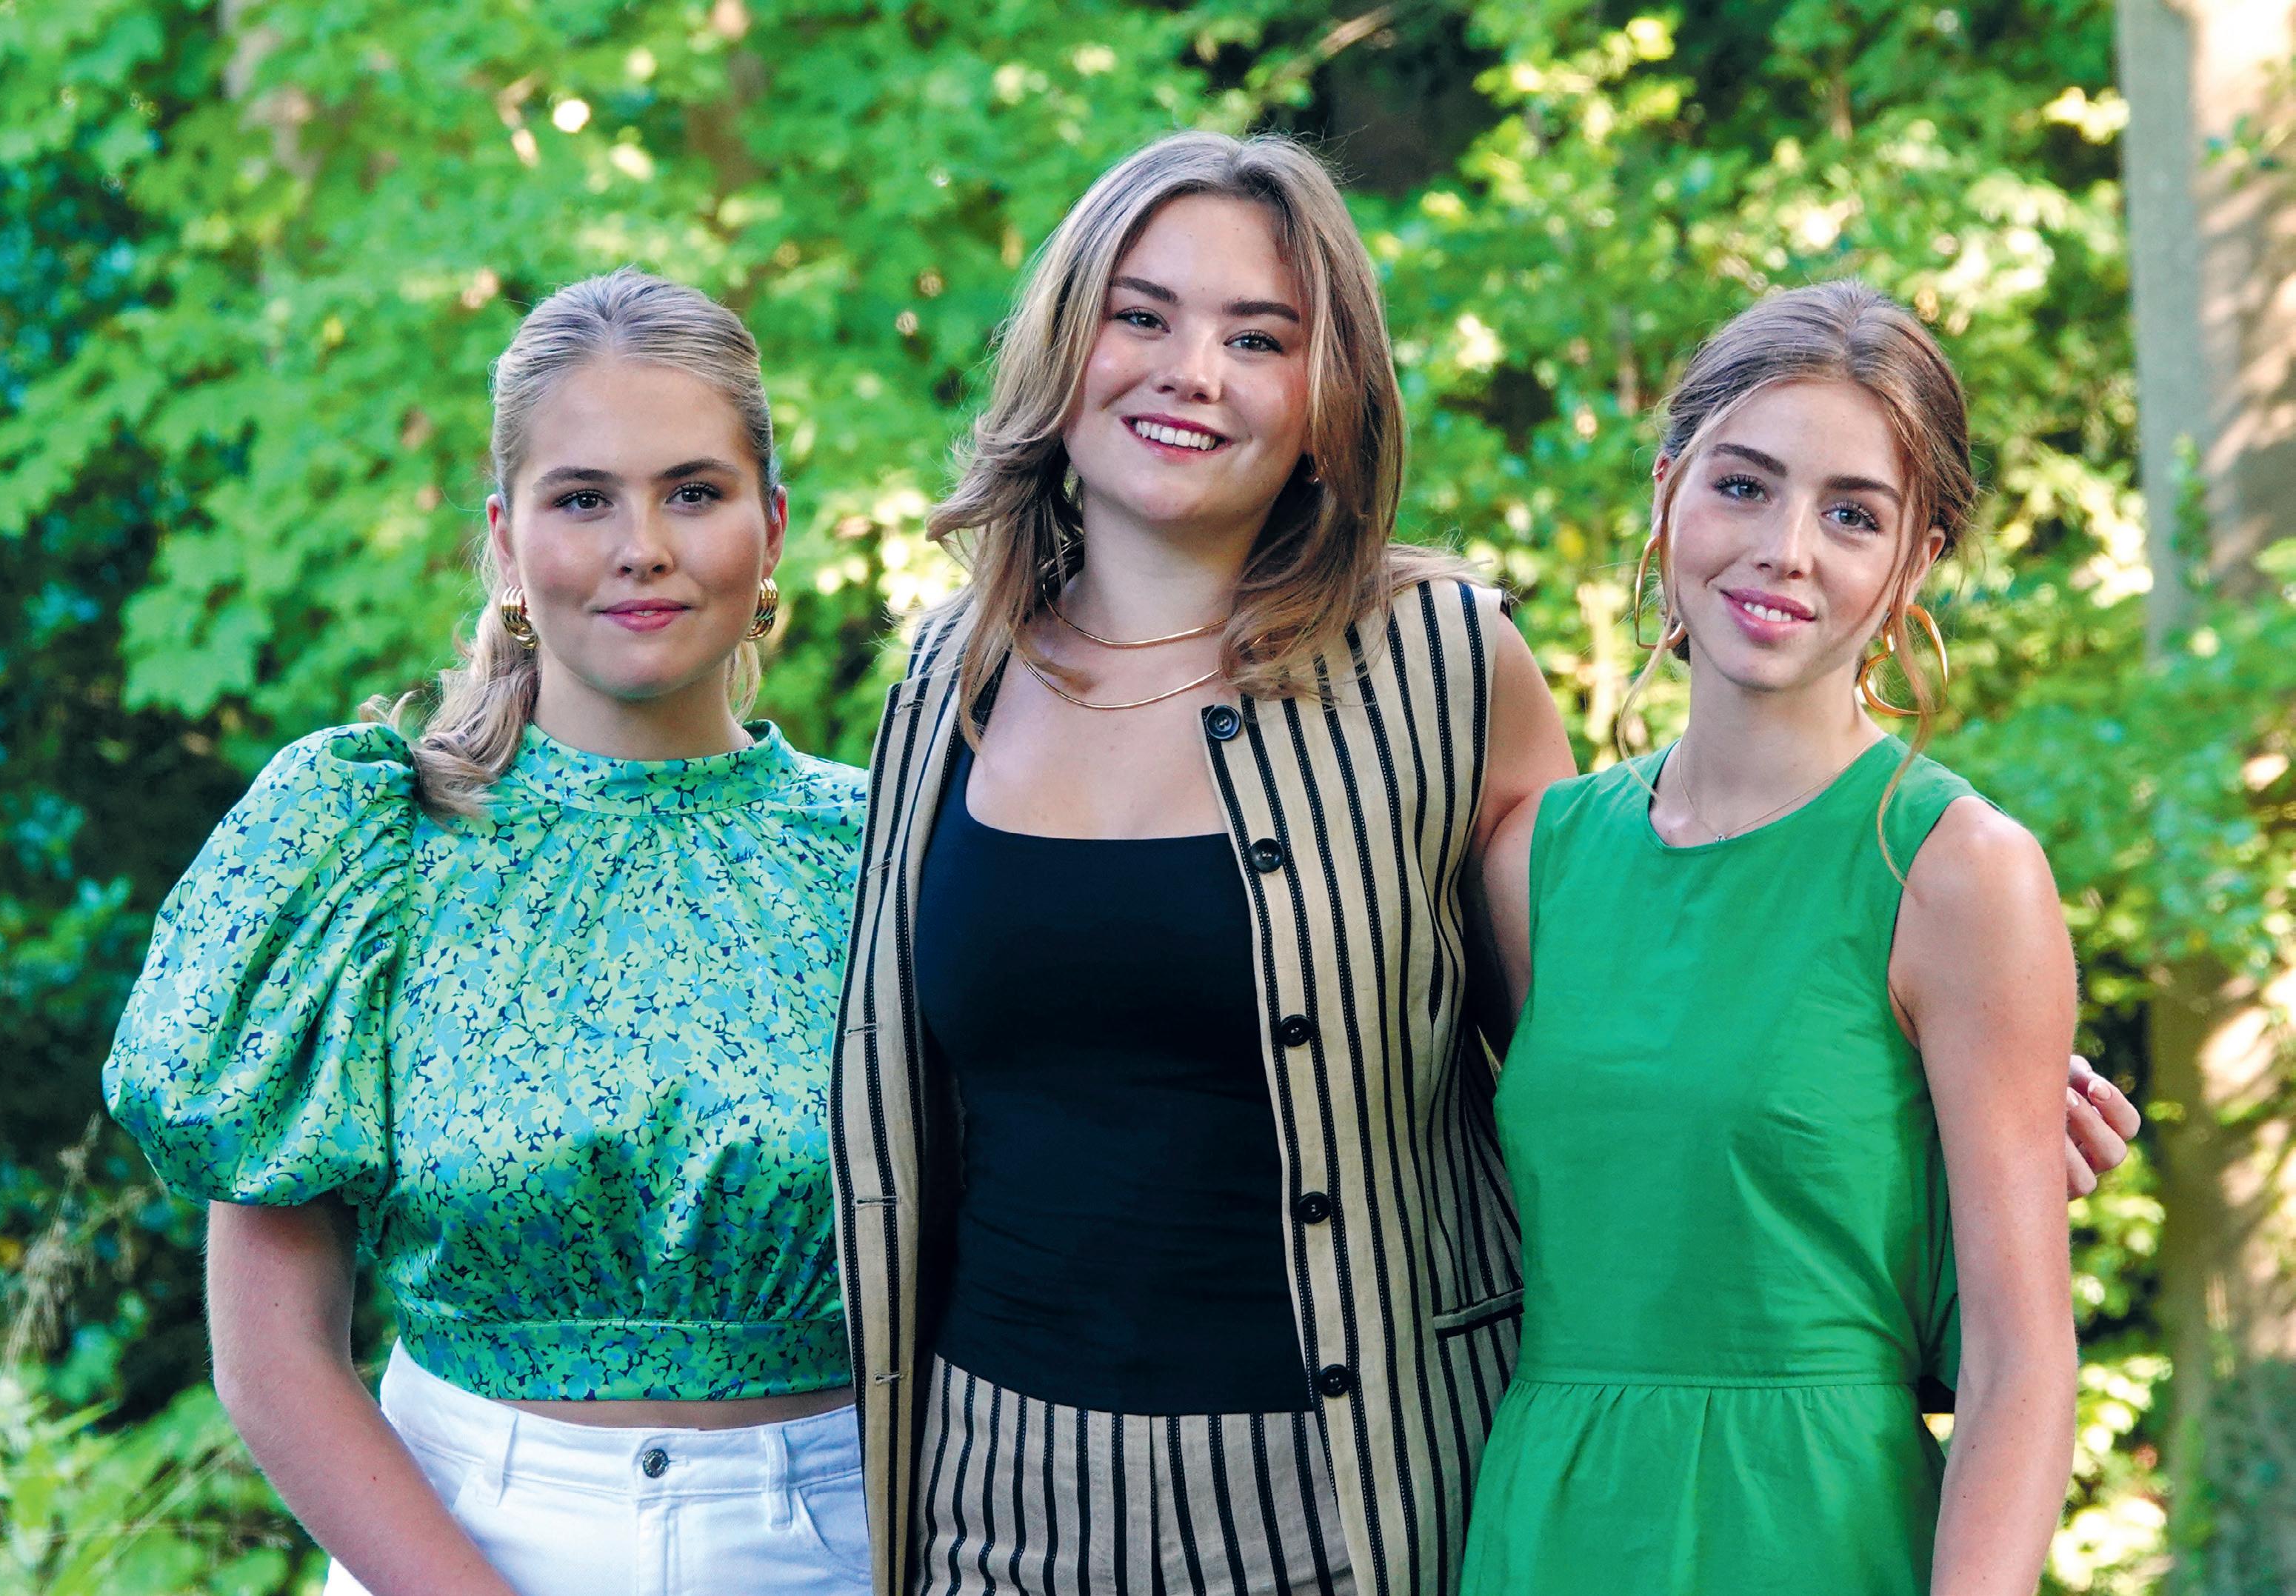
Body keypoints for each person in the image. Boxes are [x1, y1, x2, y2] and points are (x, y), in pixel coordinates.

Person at [828, 134, 2133, 1596]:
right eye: (1143, 315)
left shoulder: (1441, 668)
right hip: (999, 1500)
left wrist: (1970, 1114)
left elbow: (1649, 1054)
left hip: (1351, 1513)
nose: (1192, 372)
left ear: (1328, 400)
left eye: (1259, 336)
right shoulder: (946, 681)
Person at [103, 269, 872, 1596]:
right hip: (449, 1540)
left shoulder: (893, 851)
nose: (644, 546)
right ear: (508, 543)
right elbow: (274, 1355)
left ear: (774, 527)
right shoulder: (371, 853)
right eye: (584, 499)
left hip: (841, 1546)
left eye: (694, 491)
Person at [1459, 280, 2079, 1596]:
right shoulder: (1533, 863)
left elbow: (2021, 1365)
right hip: (1550, 1525)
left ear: (1913, 564)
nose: (1786, 549)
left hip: (1814, 1530)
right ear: (1668, 493)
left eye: (1853, 514)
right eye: (1744, 486)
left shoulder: (1959, 873)